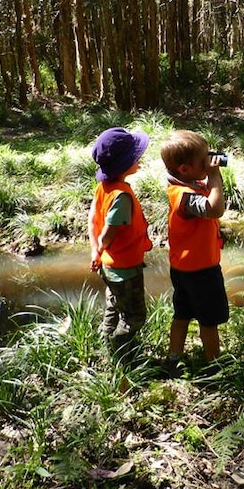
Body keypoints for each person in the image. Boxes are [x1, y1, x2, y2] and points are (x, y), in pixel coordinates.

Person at [160, 130, 228, 377]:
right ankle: (214, 366)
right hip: (200, 270)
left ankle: (174, 357)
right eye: (203, 160)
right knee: (208, 320)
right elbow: (214, 208)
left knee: (183, 313)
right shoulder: (184, 197)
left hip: (184, 267)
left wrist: (207, 172)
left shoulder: (183, 185)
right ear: (185, 169)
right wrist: (215, 174)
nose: (209, 162)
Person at [88, 127, 152, 356]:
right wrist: (102, 246)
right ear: (125, 164)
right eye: (136, 156)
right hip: (124, 269)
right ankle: (119, 352)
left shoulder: (103, 188)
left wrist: (96, 252)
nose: (140, 158)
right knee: (135, 317)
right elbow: (108, 232)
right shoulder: (121, 197)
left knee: (113, 303)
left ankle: (105, 341)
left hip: (108, 265)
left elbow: (92, 220)